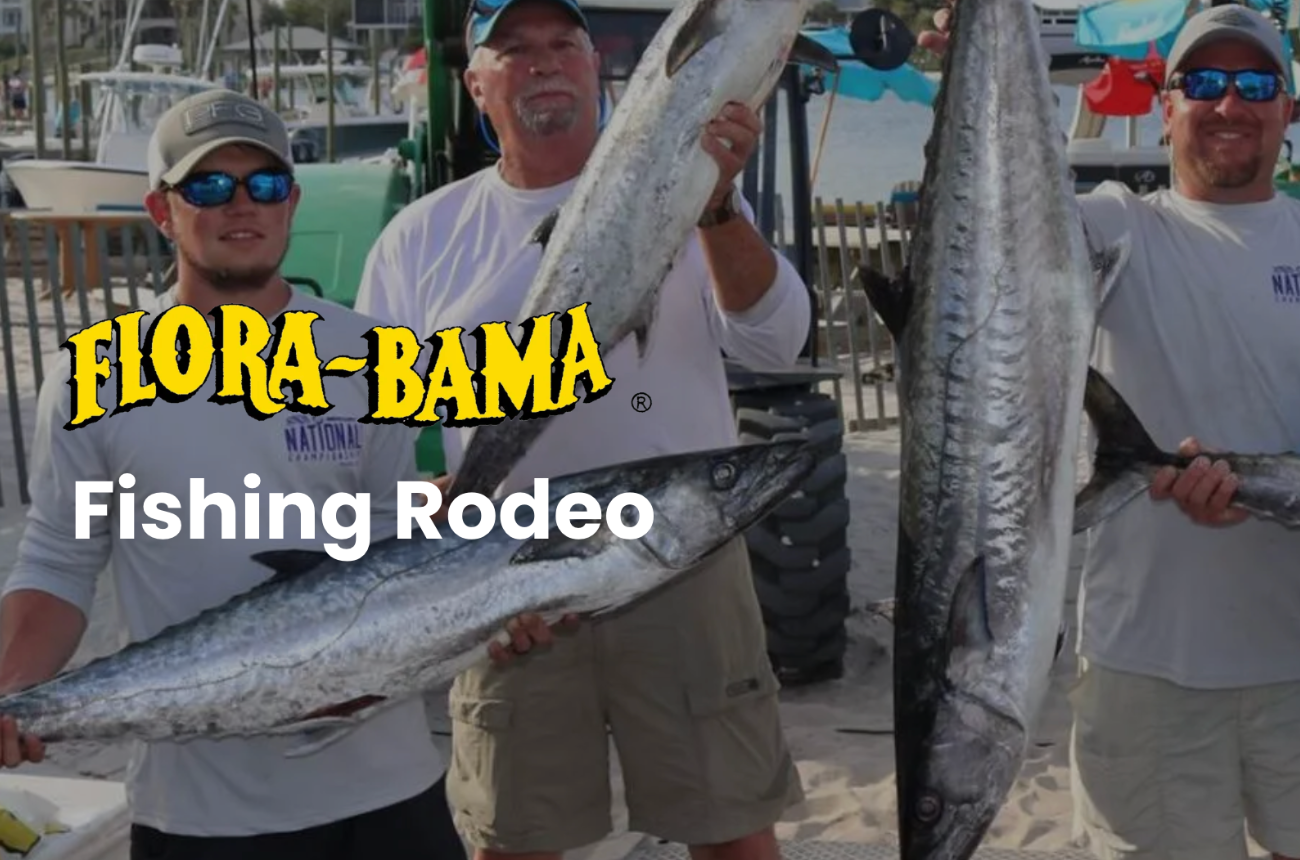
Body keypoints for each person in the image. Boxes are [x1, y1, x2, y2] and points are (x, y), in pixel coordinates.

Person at [0, 88, 553, 860]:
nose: (240, 205)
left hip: (392, 797)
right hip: (201, 817)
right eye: (208, 186)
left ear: (291, 201)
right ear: (163, 211)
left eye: (262, 184)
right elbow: (58, 560)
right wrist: (12, 695)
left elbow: (394, 540)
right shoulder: (92, 375)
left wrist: (488, 608)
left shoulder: (368, 354)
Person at [353, 0, 815, 858]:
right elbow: (376, 429)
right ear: (476, 85)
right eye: (515, 51)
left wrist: (717, 210)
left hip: (681, 560)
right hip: (511, 582)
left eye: (562, 44)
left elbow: (776, 338)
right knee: (515, 838)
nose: (544, 64)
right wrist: (425, 517)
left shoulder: (689, 176)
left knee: (732, 832)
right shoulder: (419, 239)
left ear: (599, 69)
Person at [920, 4, 1300, 860]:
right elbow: (994, 239)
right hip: (1151, 670)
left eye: (1256, 84)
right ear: (1167, 105)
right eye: (1203, 82)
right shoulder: (1114, 227)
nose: (1229, 103)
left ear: (1290, 110)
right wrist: (981, 60)